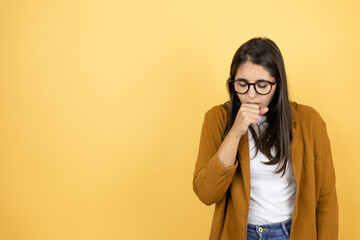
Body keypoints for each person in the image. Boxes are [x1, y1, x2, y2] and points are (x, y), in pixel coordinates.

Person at [192, 37, 338, 240]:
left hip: (291, 233)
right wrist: (235, 132)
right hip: (242, 234)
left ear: (277, 83)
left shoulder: (309, 121)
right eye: (242, 84)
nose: (251, 95)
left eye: (262, 85)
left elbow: (326, 199)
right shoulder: (217, 119)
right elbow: (207, 194)